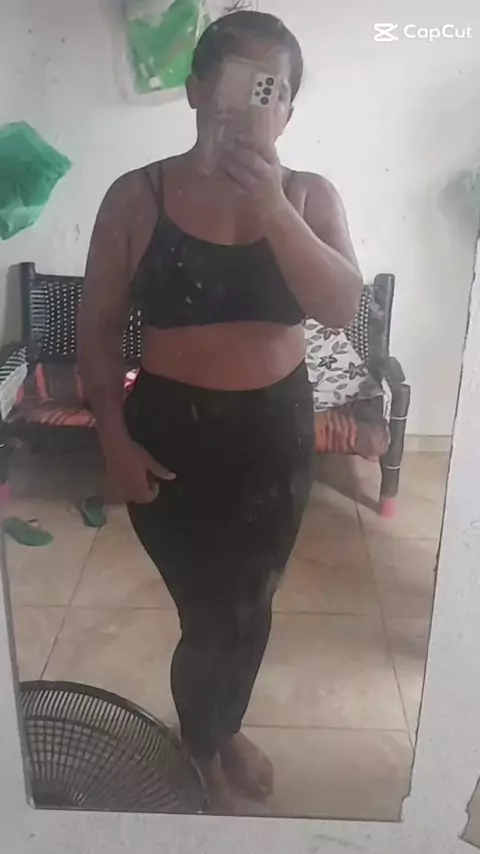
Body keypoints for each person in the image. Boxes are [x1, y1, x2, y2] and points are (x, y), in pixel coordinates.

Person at [78, 9, 362, 812]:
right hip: (173, 437)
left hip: (276, 439)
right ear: (197, 89)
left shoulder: (308, 195)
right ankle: (203, 746)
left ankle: (219, 727)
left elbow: (343, 308)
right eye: (238, 80)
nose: (252, 102)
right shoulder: (137, 197)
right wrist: (112, 438)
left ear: (288, 111)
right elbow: (97, 329)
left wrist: (271, 205)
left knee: (253, 604)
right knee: (208, 615)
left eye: (272, 89)